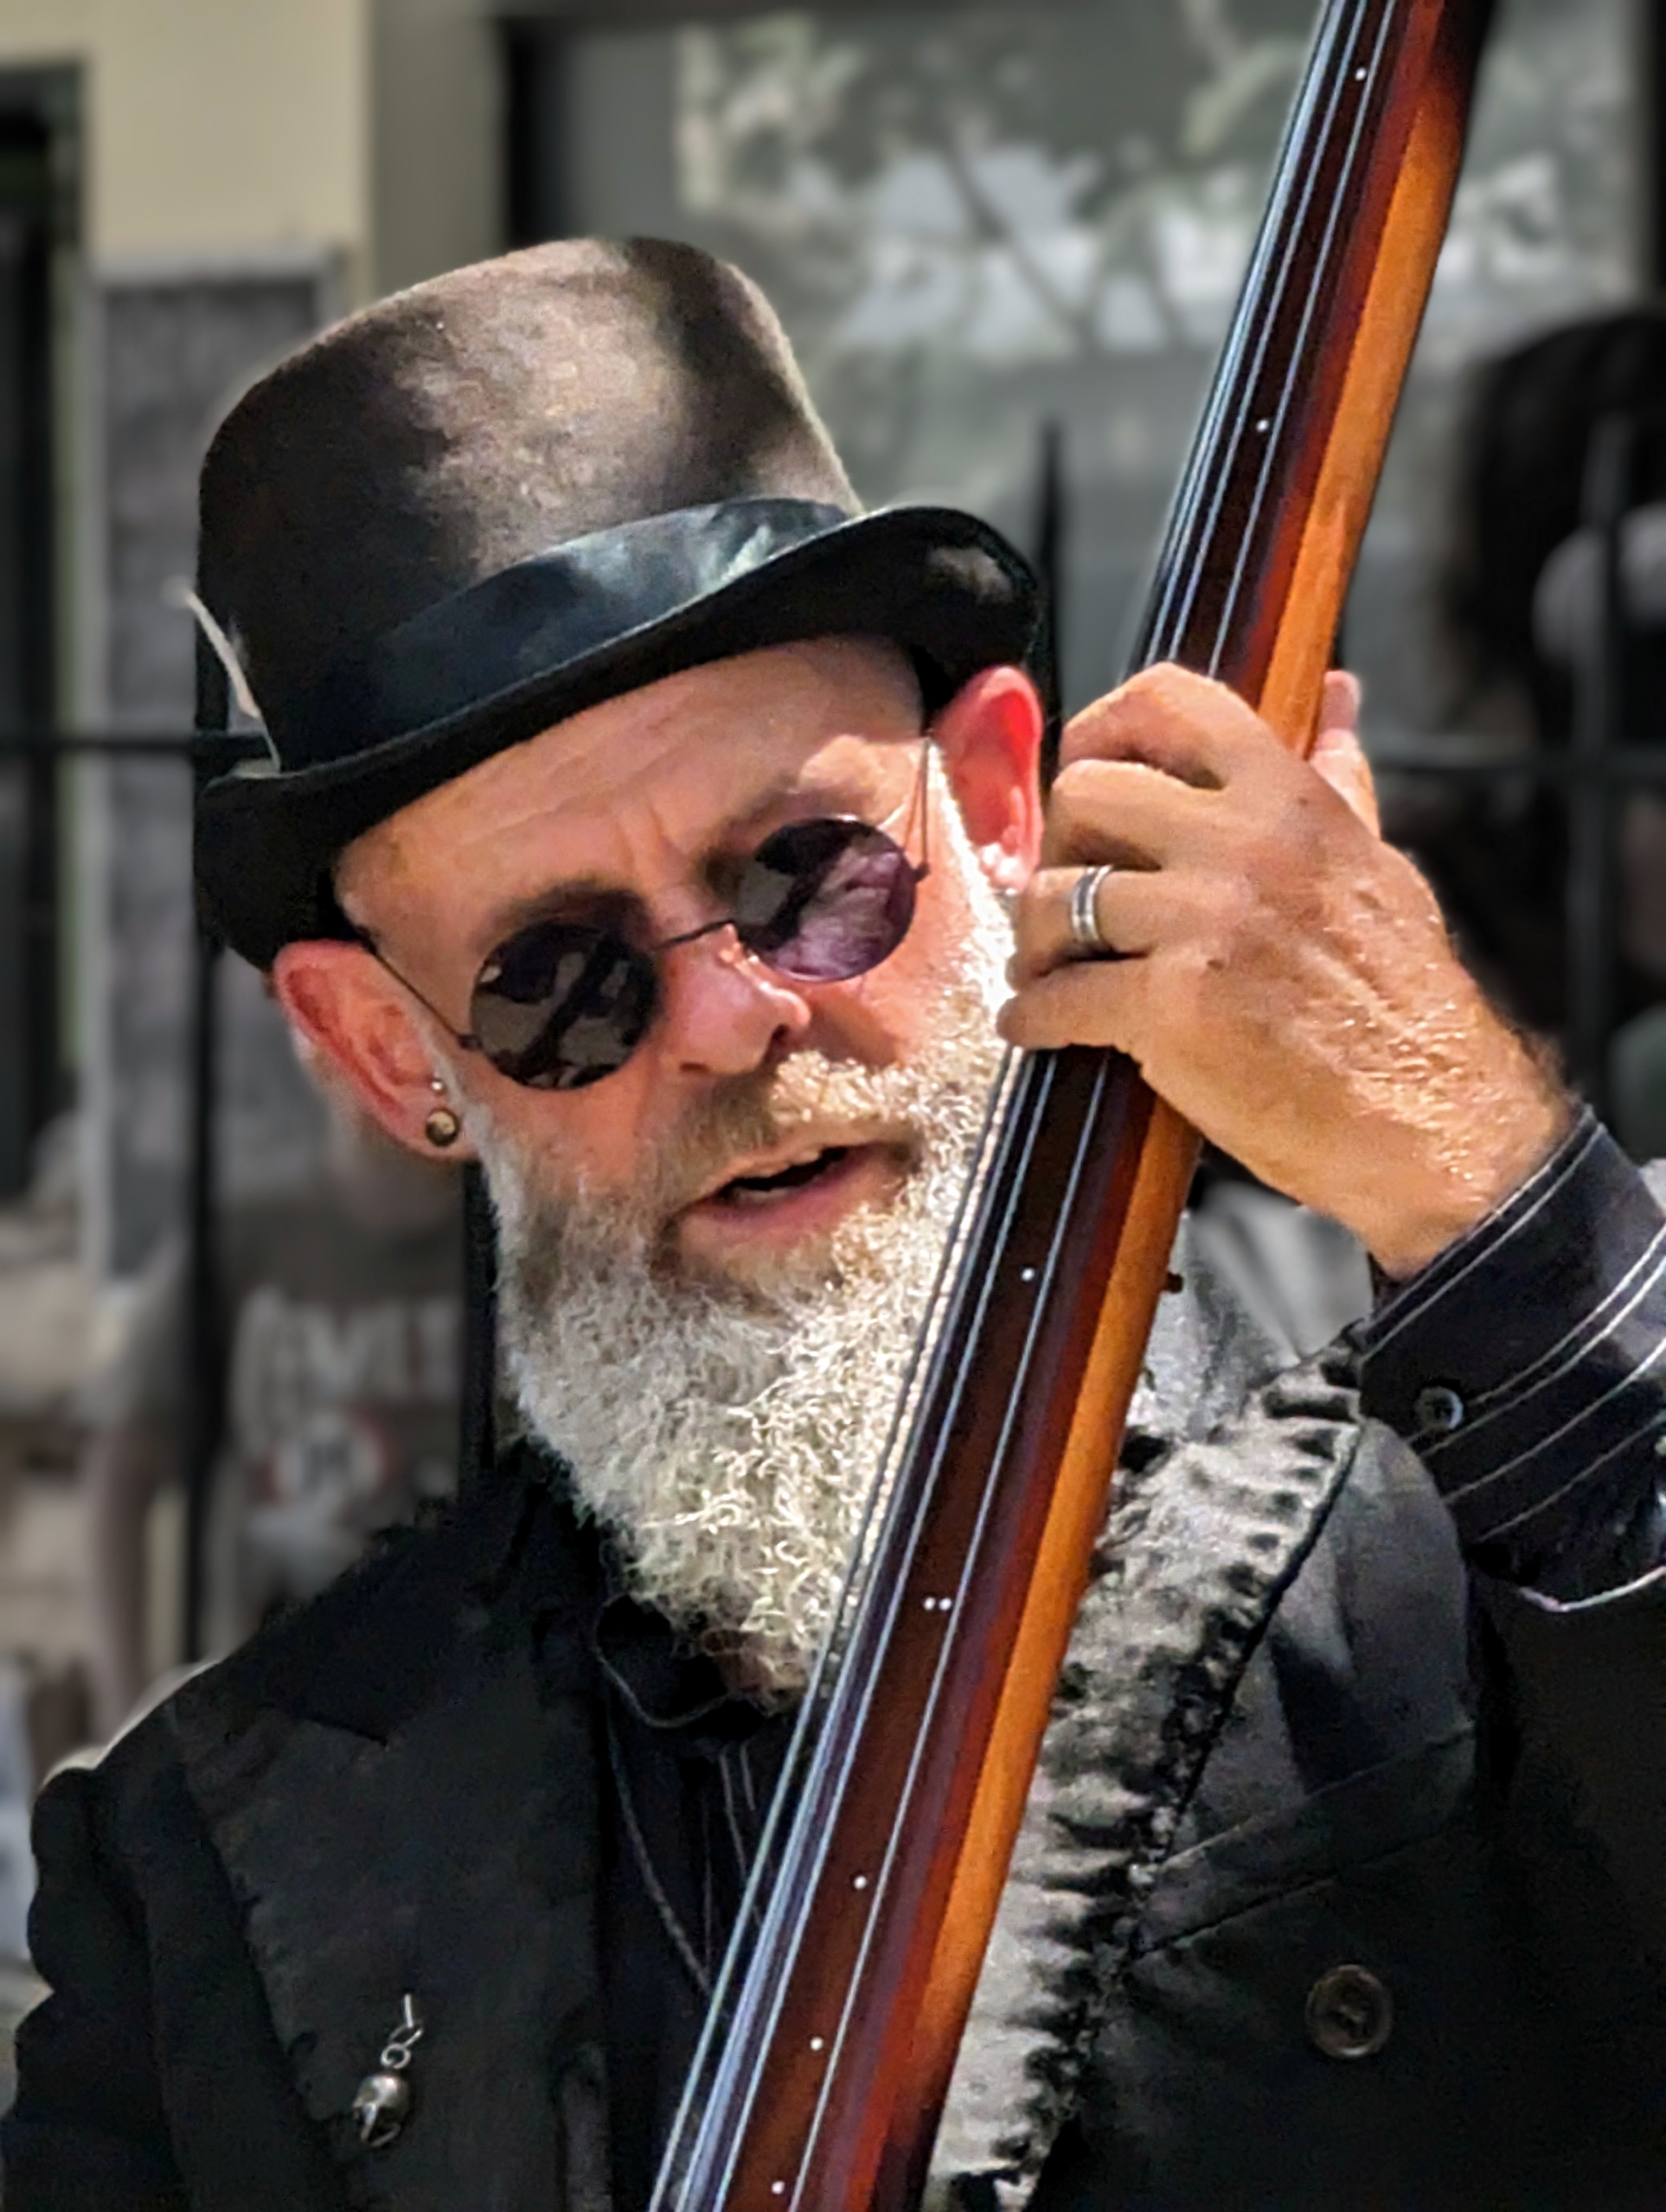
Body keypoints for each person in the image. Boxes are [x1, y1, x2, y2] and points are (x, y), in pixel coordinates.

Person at [4, 240, 1663, 2210]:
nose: (732, 1017)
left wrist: (1475, 1167)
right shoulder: (205, 1872)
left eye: (809, 878)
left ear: (996, 806)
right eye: (562, 980)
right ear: (388, 1053)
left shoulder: (1482, 1553)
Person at [80, 1041, 464, 1740]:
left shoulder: (510, 1256)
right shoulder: (245, 1246)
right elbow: (122, 1470)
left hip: (469, 1690)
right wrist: (124, 1712)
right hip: (272, 1703)